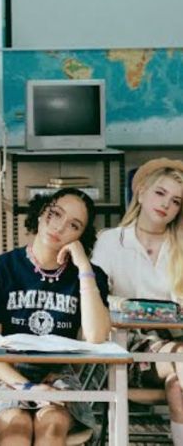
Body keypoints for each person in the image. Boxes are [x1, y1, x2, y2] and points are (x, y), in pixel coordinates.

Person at [0, 188, 110, 445]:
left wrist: (84, 267)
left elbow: (96, 337)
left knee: (51, 423)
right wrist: (26, 387)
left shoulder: (92, 276)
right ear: (40, 214)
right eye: (55, 214)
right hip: (2, 373)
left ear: (81, 236)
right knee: (16, 422)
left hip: (59, 374)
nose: (59, 227)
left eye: (73, 225)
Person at [92, 158, 183, 445]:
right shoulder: (111, 241)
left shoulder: (180, 245)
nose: (166, 204)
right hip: (126, 345)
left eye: (176, 201)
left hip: (175, 349)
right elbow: (94, 298)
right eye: (160, 193)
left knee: (178, 386)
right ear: (141, 193)